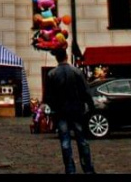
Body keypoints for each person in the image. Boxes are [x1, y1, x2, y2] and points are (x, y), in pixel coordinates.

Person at [44, 47, 96, 175]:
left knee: (65, 142)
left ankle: (70, 169)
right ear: (67, 56)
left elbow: (48, 97)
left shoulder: (52, 74)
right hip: (77, 111)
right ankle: (88, 168)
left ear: (56, 58)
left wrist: (54, 108)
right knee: (82, 141)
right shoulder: (77, 72)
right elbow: (86, 92)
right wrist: (90, 106)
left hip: (61, 112)